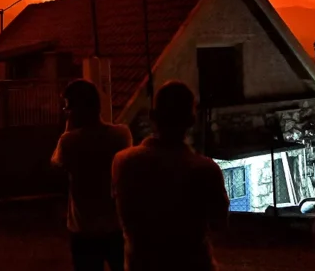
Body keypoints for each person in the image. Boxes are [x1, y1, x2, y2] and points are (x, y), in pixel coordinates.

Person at [112, 81, 229, 271]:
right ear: (192, 119)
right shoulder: (205, 169)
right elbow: (219, 224)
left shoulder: (122, 162)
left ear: (152, 116)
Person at [51, 79, 133, 271]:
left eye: (67, 108)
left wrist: (67, 128)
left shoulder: (69, 141)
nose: (66, 112)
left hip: (83, 231)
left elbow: (56, 165)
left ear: (76, 109)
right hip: (116, 226)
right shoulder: (121, 135)